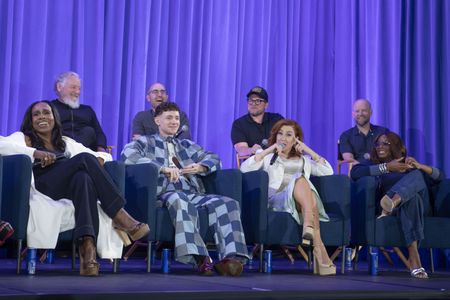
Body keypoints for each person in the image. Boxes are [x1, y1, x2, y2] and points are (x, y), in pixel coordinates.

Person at [0, 101, 149, 276]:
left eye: (46, 113)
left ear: (54, 117)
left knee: (83, 178)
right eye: (36, 114)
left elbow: (104, 155)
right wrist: (34, 153)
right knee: (84, 160)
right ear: (30, 120)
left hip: (67, 185)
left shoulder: (65, 142)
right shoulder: (24, 138)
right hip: (44, 183)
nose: (42, 117)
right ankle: (118, 213)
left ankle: (88, 251)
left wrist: (99, 158)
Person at [122, 102, 249, 276]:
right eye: (169, 118)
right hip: (164, 193)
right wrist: (162, 168)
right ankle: (199, 258)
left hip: (192, 192)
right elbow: (128, 155)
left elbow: (214, 158)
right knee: (179, 199)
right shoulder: (145, 142)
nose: (174, 121)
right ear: (157, 120)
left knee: (228, 203)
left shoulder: (187, 145)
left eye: (176, 118)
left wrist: (201, 167)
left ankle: (232, 259)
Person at [240, 119, 336, 276]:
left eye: (289, 135)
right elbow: (245, 168)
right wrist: (269, 150)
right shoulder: (268, 157)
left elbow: (328, 171)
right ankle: (319, 249)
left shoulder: (304, 160)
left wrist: (307, 150)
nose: (283, 138)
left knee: (305, 186)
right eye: (280, 134)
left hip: (299, 201)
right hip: (277, 199)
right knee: (302, 182)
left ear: (296, 139)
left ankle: (310, 230)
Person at [351, 132, 444, 279]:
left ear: (395, 146)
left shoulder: (410, 166)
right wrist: (386, 167)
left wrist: (420, 166)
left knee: (417, 175)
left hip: (418, 210)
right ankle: (414, 258)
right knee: (413, 200)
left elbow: (441, 177)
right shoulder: (376, 165)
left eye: (385, 143)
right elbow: (355, 173)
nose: (380, 147)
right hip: (401, 210)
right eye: (377, 144)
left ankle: (393, 200)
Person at [51, 71, 108, 152]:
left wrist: (101, 152)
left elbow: (99, 133)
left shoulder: (87, 110)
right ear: (59, 87)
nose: (77, 92)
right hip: (61, 151)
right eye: (73, 87)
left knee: (88, 131)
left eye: (79, 88)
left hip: (86, 152)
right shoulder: (49, 108)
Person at [231, 86, 283, 157]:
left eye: (258, 101)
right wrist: (251, 150)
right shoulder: (239, 124)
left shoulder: (277, 119)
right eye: (250, 100)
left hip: (278, 161)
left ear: (266, 105)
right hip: (254, 165)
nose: (253, 104)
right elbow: (241, 150)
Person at [339, 99, 388, 164]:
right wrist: (366, 170)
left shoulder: (383, 131)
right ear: (353, 114)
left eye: (364, 110)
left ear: (371, 113)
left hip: (383, 172)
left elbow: (391, 154)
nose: (360, 114)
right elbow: (349, 160)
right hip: (359, 172)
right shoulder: (346, 136)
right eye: (357, 111)